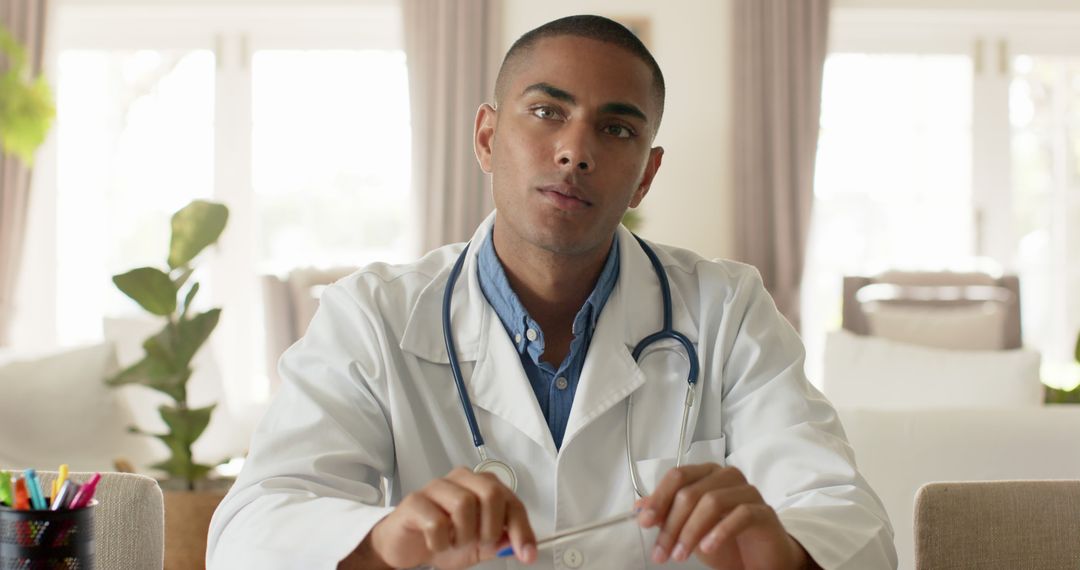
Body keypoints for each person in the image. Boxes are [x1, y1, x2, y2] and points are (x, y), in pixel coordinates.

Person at [207, 15, 896, 570]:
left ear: (646, 175)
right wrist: (386, 540)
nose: (575, 151)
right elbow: (248, 531)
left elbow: (851, 523)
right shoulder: (372, 315)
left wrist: (783, 552)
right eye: (545, 112)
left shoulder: (727, 310)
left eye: (617, 128)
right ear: (486, 136)